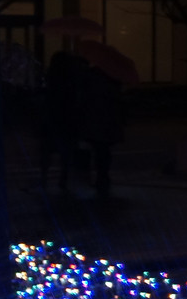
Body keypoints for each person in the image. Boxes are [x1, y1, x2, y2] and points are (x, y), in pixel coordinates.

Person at [79, 63, 125, 197]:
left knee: (99, 150)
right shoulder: (113, 80)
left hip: (96, 120)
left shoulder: (90, 79)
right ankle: (103, 176)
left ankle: (101, 176)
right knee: (104, 151)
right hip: (108, 120)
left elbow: (85, 99)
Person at [40, 50, 82, 192]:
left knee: (47, 151)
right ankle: (63, 178)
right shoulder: (71, 81)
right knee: (66, 152)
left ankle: (44, 178)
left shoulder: (50, 79)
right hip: (66, 120)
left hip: (52, 119)